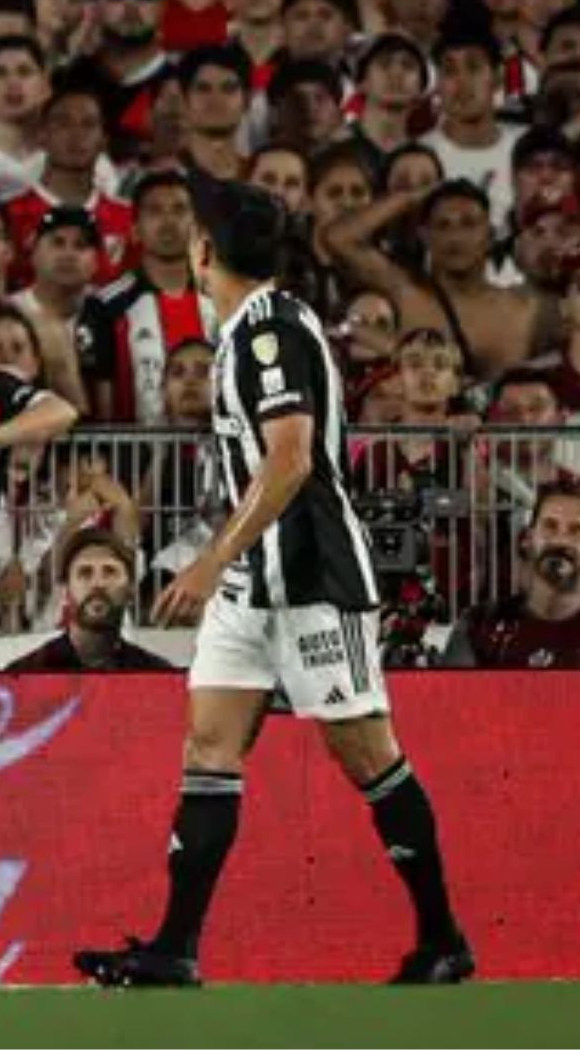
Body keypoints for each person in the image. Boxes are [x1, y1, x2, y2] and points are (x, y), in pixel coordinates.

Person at [77, 178, 473, 989]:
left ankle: (443, 938)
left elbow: (291, 458)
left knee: (367, 753)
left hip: (314, 575)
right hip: (253, 582)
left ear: (204, 251)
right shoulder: (248, 330)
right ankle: (175, 949)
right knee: (209, 749)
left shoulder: (269, 332)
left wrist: (210, 558)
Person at [440, 482, 580, 681]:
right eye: (550, 526)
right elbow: (448, 697)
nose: (560, 540)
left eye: (577, 531)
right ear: (527, 539)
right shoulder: (479, 622)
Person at [5, 530, 174, 672]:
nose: (98, 584)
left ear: (130, 589)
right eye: (85, 573)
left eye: (110, 572)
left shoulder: (156, 673)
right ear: (65, 590)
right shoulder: (27, 674)